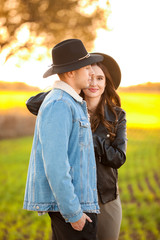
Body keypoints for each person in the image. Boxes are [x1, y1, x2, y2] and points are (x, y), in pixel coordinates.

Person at [26, 52, 127, 240]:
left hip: (105, 196)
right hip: (74, 195)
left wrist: (90, 135)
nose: (93, 83)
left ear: (107, 83)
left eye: (99, 78)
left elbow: (118, 158)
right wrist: (67, 88)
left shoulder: (117, 116)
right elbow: (33, 103)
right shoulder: (68, 106)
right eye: (90, 76)